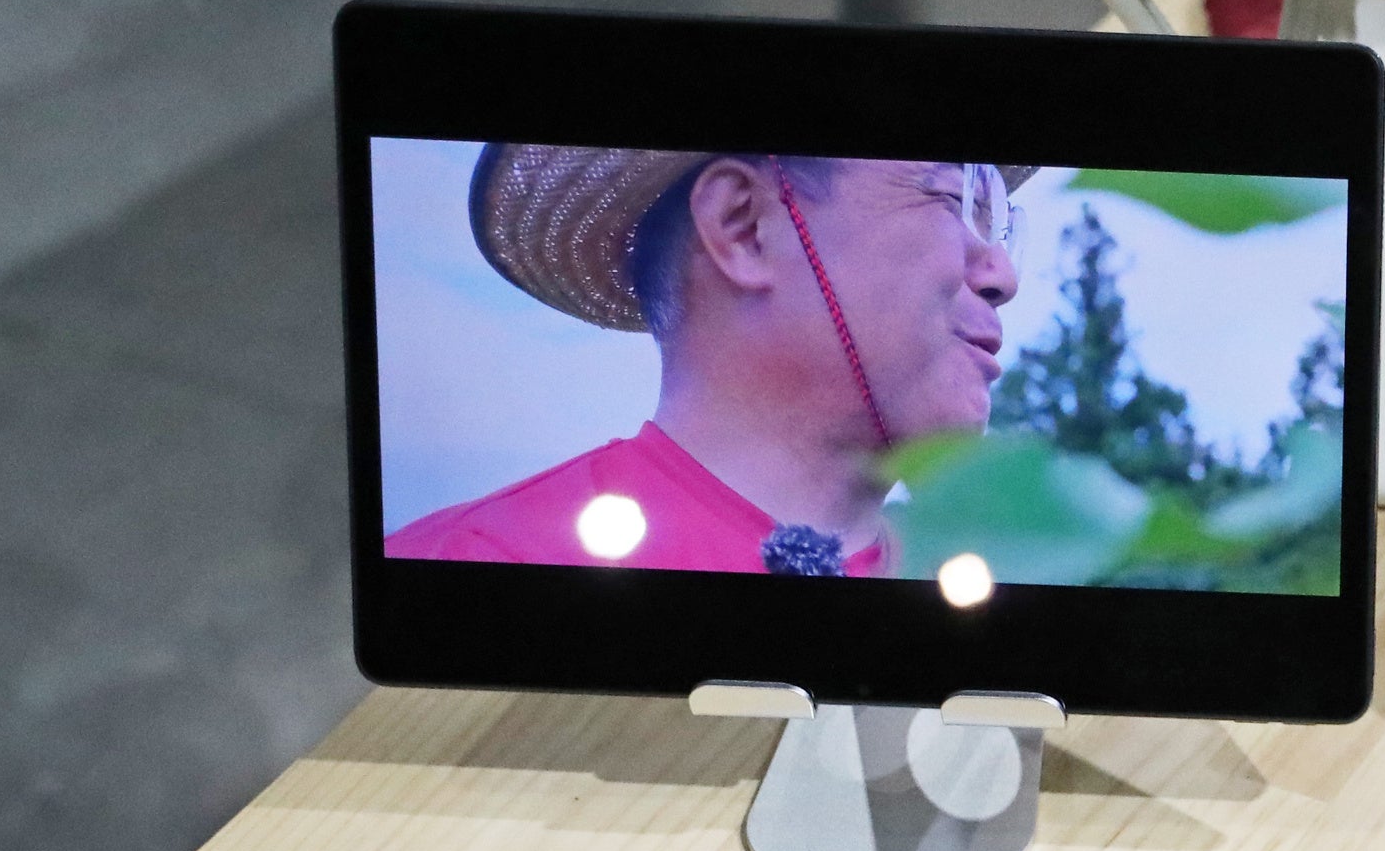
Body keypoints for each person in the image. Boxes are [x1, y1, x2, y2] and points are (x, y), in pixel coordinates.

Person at [390, 151, 1025, 575]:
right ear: (744, 226)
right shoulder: (476, 565)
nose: (1003, 275)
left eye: (1001, 228)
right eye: (954, 200)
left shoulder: (1006, 585)